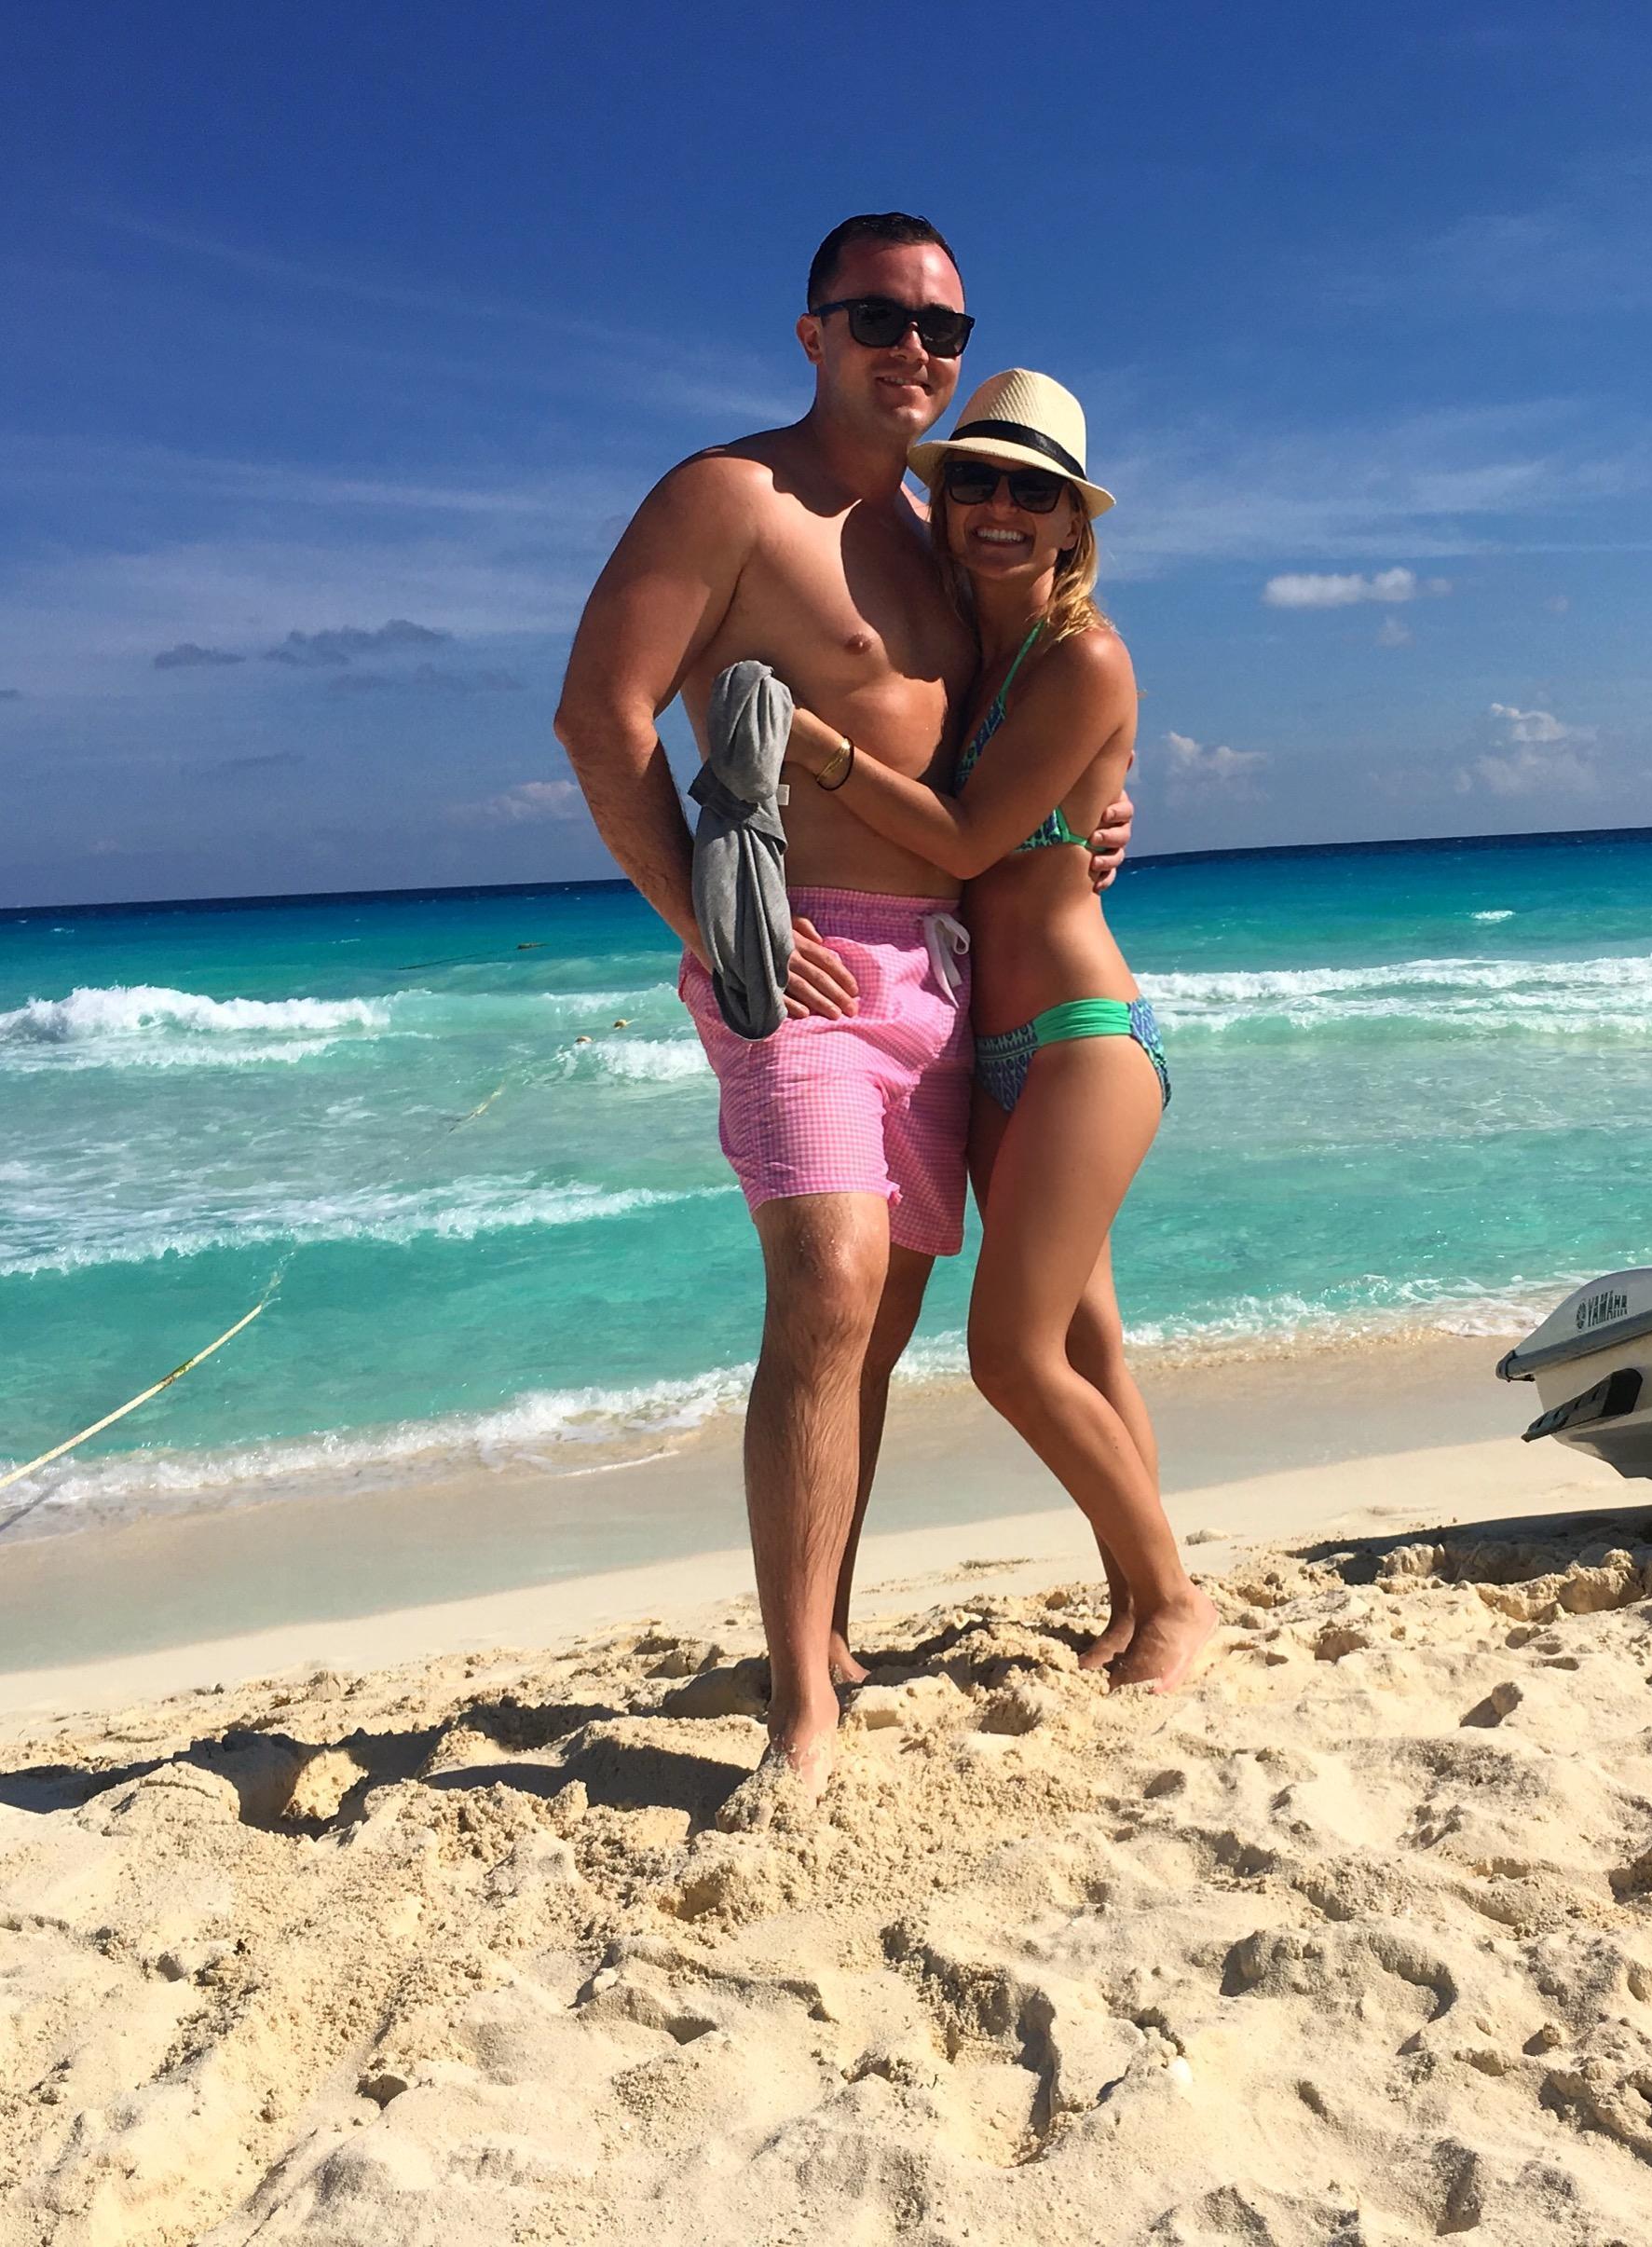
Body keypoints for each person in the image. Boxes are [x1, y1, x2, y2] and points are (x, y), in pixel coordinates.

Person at [552, 216, 1132, 1808]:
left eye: (942, 327)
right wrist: (714, 922)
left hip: (943, 974)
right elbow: (600, 716)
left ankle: (831, 1635)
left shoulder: (946, 540)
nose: (915, 350)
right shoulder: (729, 497)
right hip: (790, 961)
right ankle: (801, 1707)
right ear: (812, 332)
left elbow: (1023, 730)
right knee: (828, 1281)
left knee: (875, 1333)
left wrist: (1099, 813)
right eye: (879, 317)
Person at [778, 370, 1217, 1694]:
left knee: (1011, 1355)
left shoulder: (1085, 656)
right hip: (989, 1043)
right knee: (1086, 1344)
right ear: (944, 501)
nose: (1001, 507)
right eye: (975, 480)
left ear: (1077, 523)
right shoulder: (968, 661)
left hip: (1084, 1035)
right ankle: (1131, 1607)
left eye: (1036, 490)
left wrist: (817, 750)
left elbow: (971, 839)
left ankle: (1176, 1601)